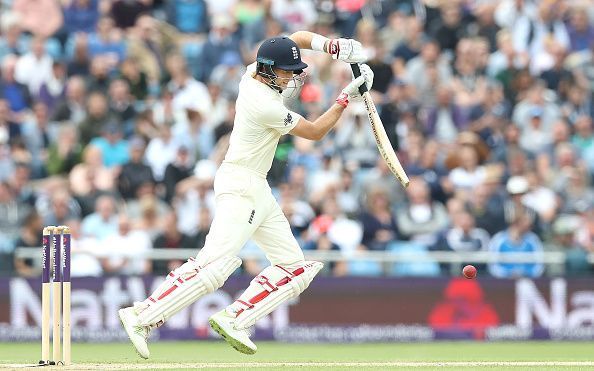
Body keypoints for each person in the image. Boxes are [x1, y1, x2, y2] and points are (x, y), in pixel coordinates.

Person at [118, 32, 371, 357]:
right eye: (286, 71)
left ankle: (236, 318)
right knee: (214, 266)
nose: (292, 76)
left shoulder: (254, 71)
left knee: (295, 267)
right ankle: (141, 315)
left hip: (256, 186)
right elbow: (315, 132)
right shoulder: (263, 104)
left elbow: (293, 38)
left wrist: (332, 46)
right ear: (268, 71)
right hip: (241, 185)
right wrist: (347, 98)